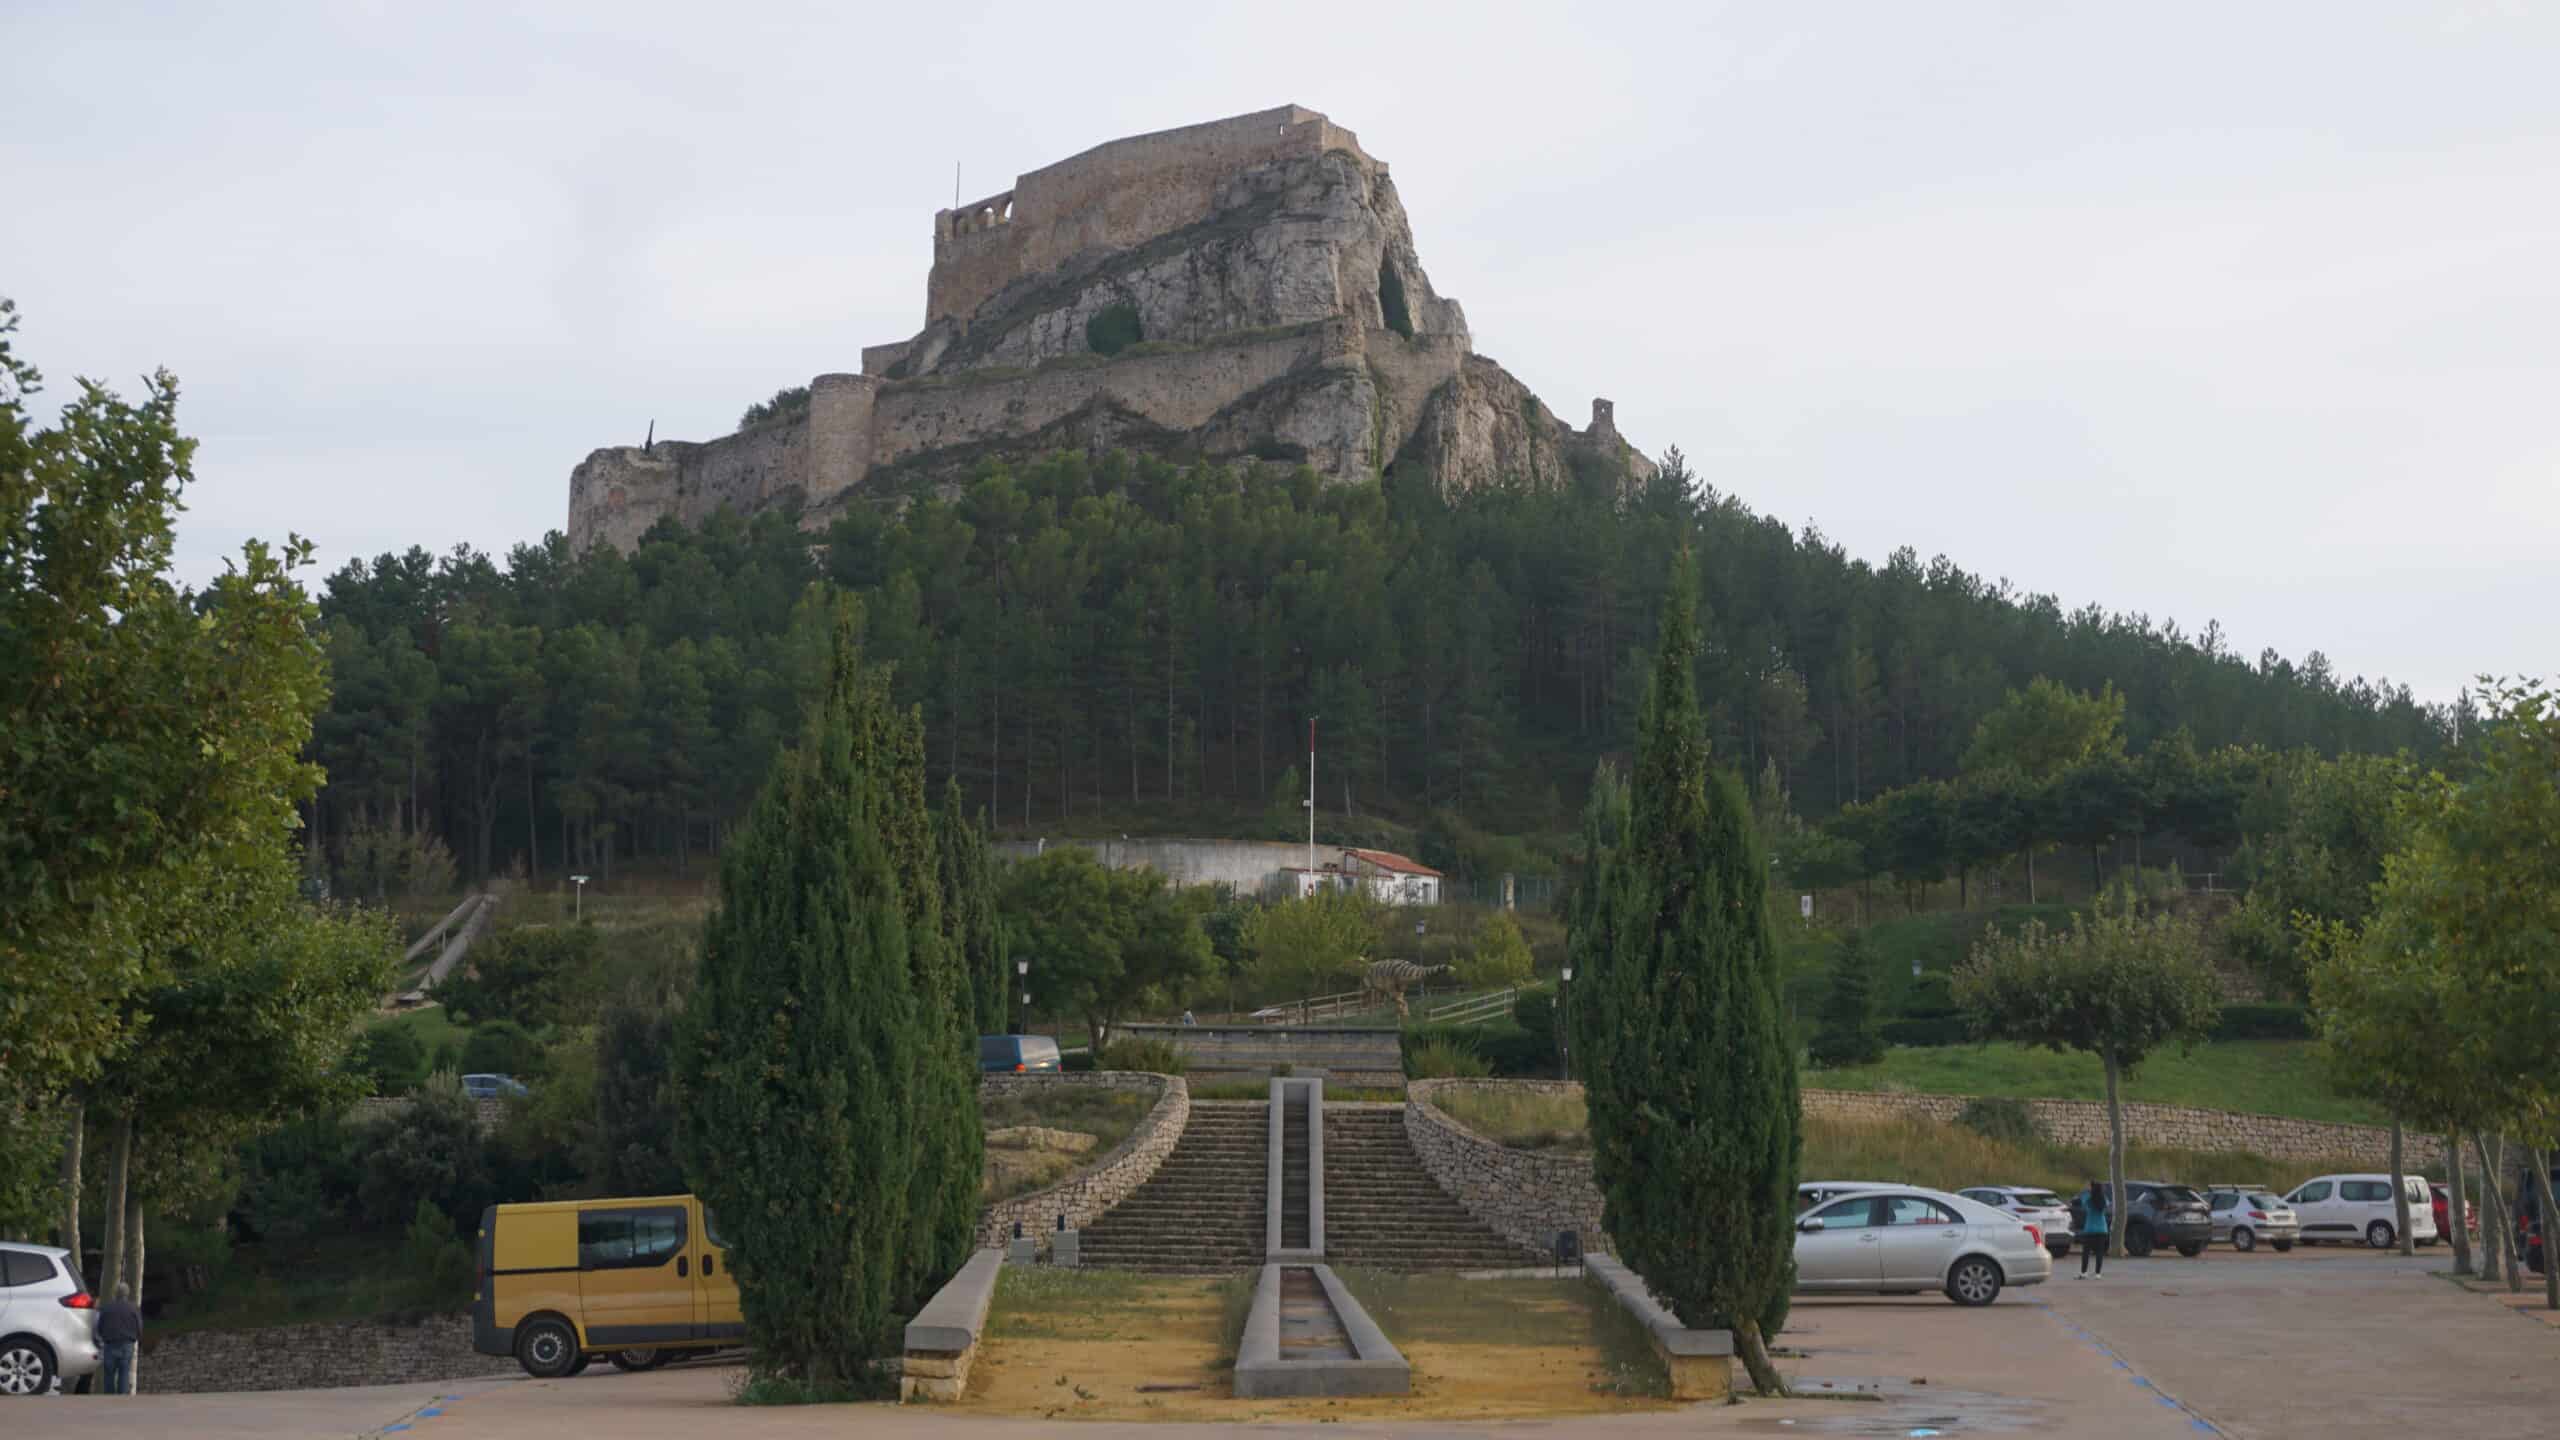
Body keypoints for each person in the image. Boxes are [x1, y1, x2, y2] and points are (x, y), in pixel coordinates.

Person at [97, 1281, 142, 1394]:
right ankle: (121, 1400)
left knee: (109, 1374)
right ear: (127, 1294)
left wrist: (103, 1338)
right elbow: (139, 1326)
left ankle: (109, 1399)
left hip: (110, 1344)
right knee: (124, 1372)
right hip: (127, 1344)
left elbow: (100, 1326)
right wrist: (135, 1337)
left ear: (115, 1294)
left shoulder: (107, 1308)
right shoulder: (133, 1308)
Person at [2078, 1179, 2111, 1278]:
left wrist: (2086, 1189)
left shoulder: (2088, 1198)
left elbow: (2082, 1198)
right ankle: (2098, 1273)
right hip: (2102, 1229)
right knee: (2099, 1252)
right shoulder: (2103, 1199)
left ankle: (2084, 1273)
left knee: (2086, 1252)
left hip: (2090, 1229)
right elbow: (2107, 1204)